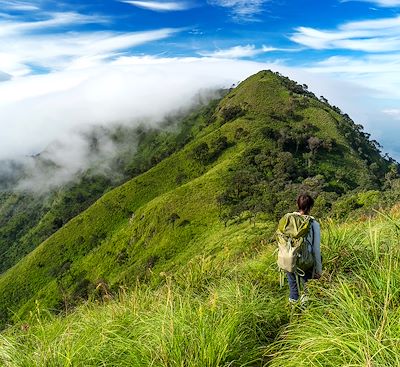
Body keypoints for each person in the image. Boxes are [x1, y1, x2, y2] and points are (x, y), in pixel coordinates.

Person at [286, 194, 322, 303]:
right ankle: (305, 310)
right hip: (306, 261)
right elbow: (316, 249)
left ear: (298, 204)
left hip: (289, 258)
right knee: (307, 287)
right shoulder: (313, 223)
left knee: (293, 288)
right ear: (311, 206)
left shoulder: (288, 219)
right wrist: (319, 270)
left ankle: (293, 311)